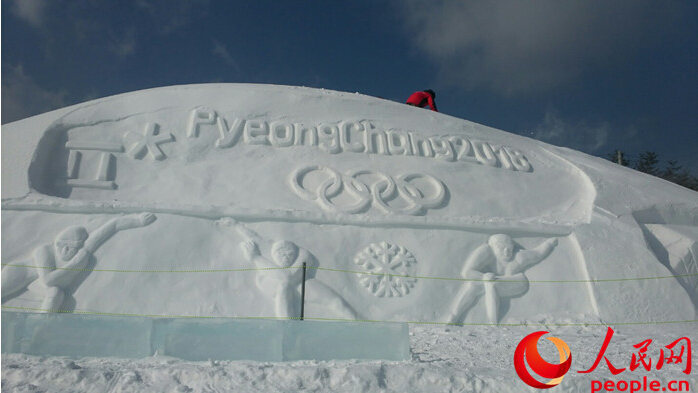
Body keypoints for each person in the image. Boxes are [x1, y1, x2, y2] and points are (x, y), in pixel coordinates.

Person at [1, 213, 156, 312]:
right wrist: (74, 264)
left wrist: (138, 221)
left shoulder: (81, 250)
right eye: (63, 247)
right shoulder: (44, 251)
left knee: (55, 294)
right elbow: (47, 280)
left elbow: (111, 226)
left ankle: (37, 328)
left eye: (73, 248)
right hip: (18, 274)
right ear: (59, 244)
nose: (68, 251)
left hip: (35, 283)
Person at [447, 234, 558, 324]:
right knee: (472, 285)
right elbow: (466, 272)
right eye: (501, 248)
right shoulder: (486, 252)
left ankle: (493, 323)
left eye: (509, 248)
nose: (506, 252)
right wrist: (483, 276)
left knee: (492, 284)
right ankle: (454, 316)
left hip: (517, 282)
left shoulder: (519, 257)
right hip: (494, 280)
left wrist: (549, 243)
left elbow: (538, 254)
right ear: (494, 247)